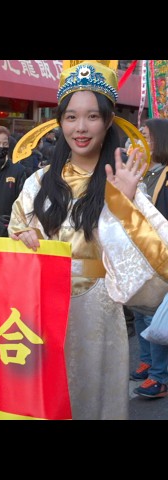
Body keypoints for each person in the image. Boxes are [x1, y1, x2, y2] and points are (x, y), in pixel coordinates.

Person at [9, 60, 168, 419]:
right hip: (40, 313)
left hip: (99, 314)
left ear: (109, 120)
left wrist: (127, 207)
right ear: (59, 121)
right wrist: (23, 237)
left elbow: (161, 262)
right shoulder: (38, 182)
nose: (80, 128)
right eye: (71, 117)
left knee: (93, 403)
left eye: (92, 117)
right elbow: (16, 233)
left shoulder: (123, 182)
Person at [128, 118, 168, 398]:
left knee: (157, 315)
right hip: (138, 253)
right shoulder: (142, 173)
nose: (137, 142)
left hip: (159, 253)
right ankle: (148, 360)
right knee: (139, 309)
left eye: (143, 136)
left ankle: (160, 376)